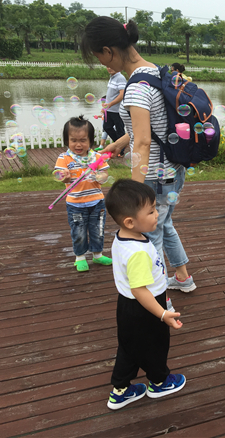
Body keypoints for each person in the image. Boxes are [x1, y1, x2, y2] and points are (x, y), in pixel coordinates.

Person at [81, 17, 196, 293]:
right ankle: (183, 278)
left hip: (154, 176)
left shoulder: (135, 88)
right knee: (163, 223)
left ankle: (157, 299)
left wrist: (135, 194)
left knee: (147, 235)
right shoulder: (155, 71)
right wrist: (116, 144)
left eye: (99, 57)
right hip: (172, 170)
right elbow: (147, 129)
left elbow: (143, 141)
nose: (102, 63)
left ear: (108, 50)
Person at [104, 179, 186, 410]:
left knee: (129, 347)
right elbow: (139, 289)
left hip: (128, 307)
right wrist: (162, 314)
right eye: (150, 211)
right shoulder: (137, 253)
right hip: (145, 307)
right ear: (130, 221)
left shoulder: (125, 236)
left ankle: (120, 390)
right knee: (155, 345)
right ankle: (159, 382)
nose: (157, 213)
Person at [54, 115, 113, 272]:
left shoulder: (97, 157)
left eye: (83, 140)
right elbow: (58, 174)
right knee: (78, 231)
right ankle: (79, 257)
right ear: (67, 141)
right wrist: (63, 175)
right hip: (75, 204)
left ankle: (98, 254)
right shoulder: (64, 158)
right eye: (73, 140)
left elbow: (104, 175)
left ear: (90, 141)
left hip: (97, 202)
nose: (78, 144)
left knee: (97, 229)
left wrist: (99, 176)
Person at [100, 66, 127, 152]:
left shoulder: (120, 78)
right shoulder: (112, 77)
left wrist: (111, 104)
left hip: (117, 110)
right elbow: (111, 94)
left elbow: (122, 94)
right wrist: (106, 105)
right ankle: (119, 145)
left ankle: (121, 150)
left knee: (120, 131)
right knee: (106, 127)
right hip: (109, 110)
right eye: (108, 66)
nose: (110, 68)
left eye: (111, 66)